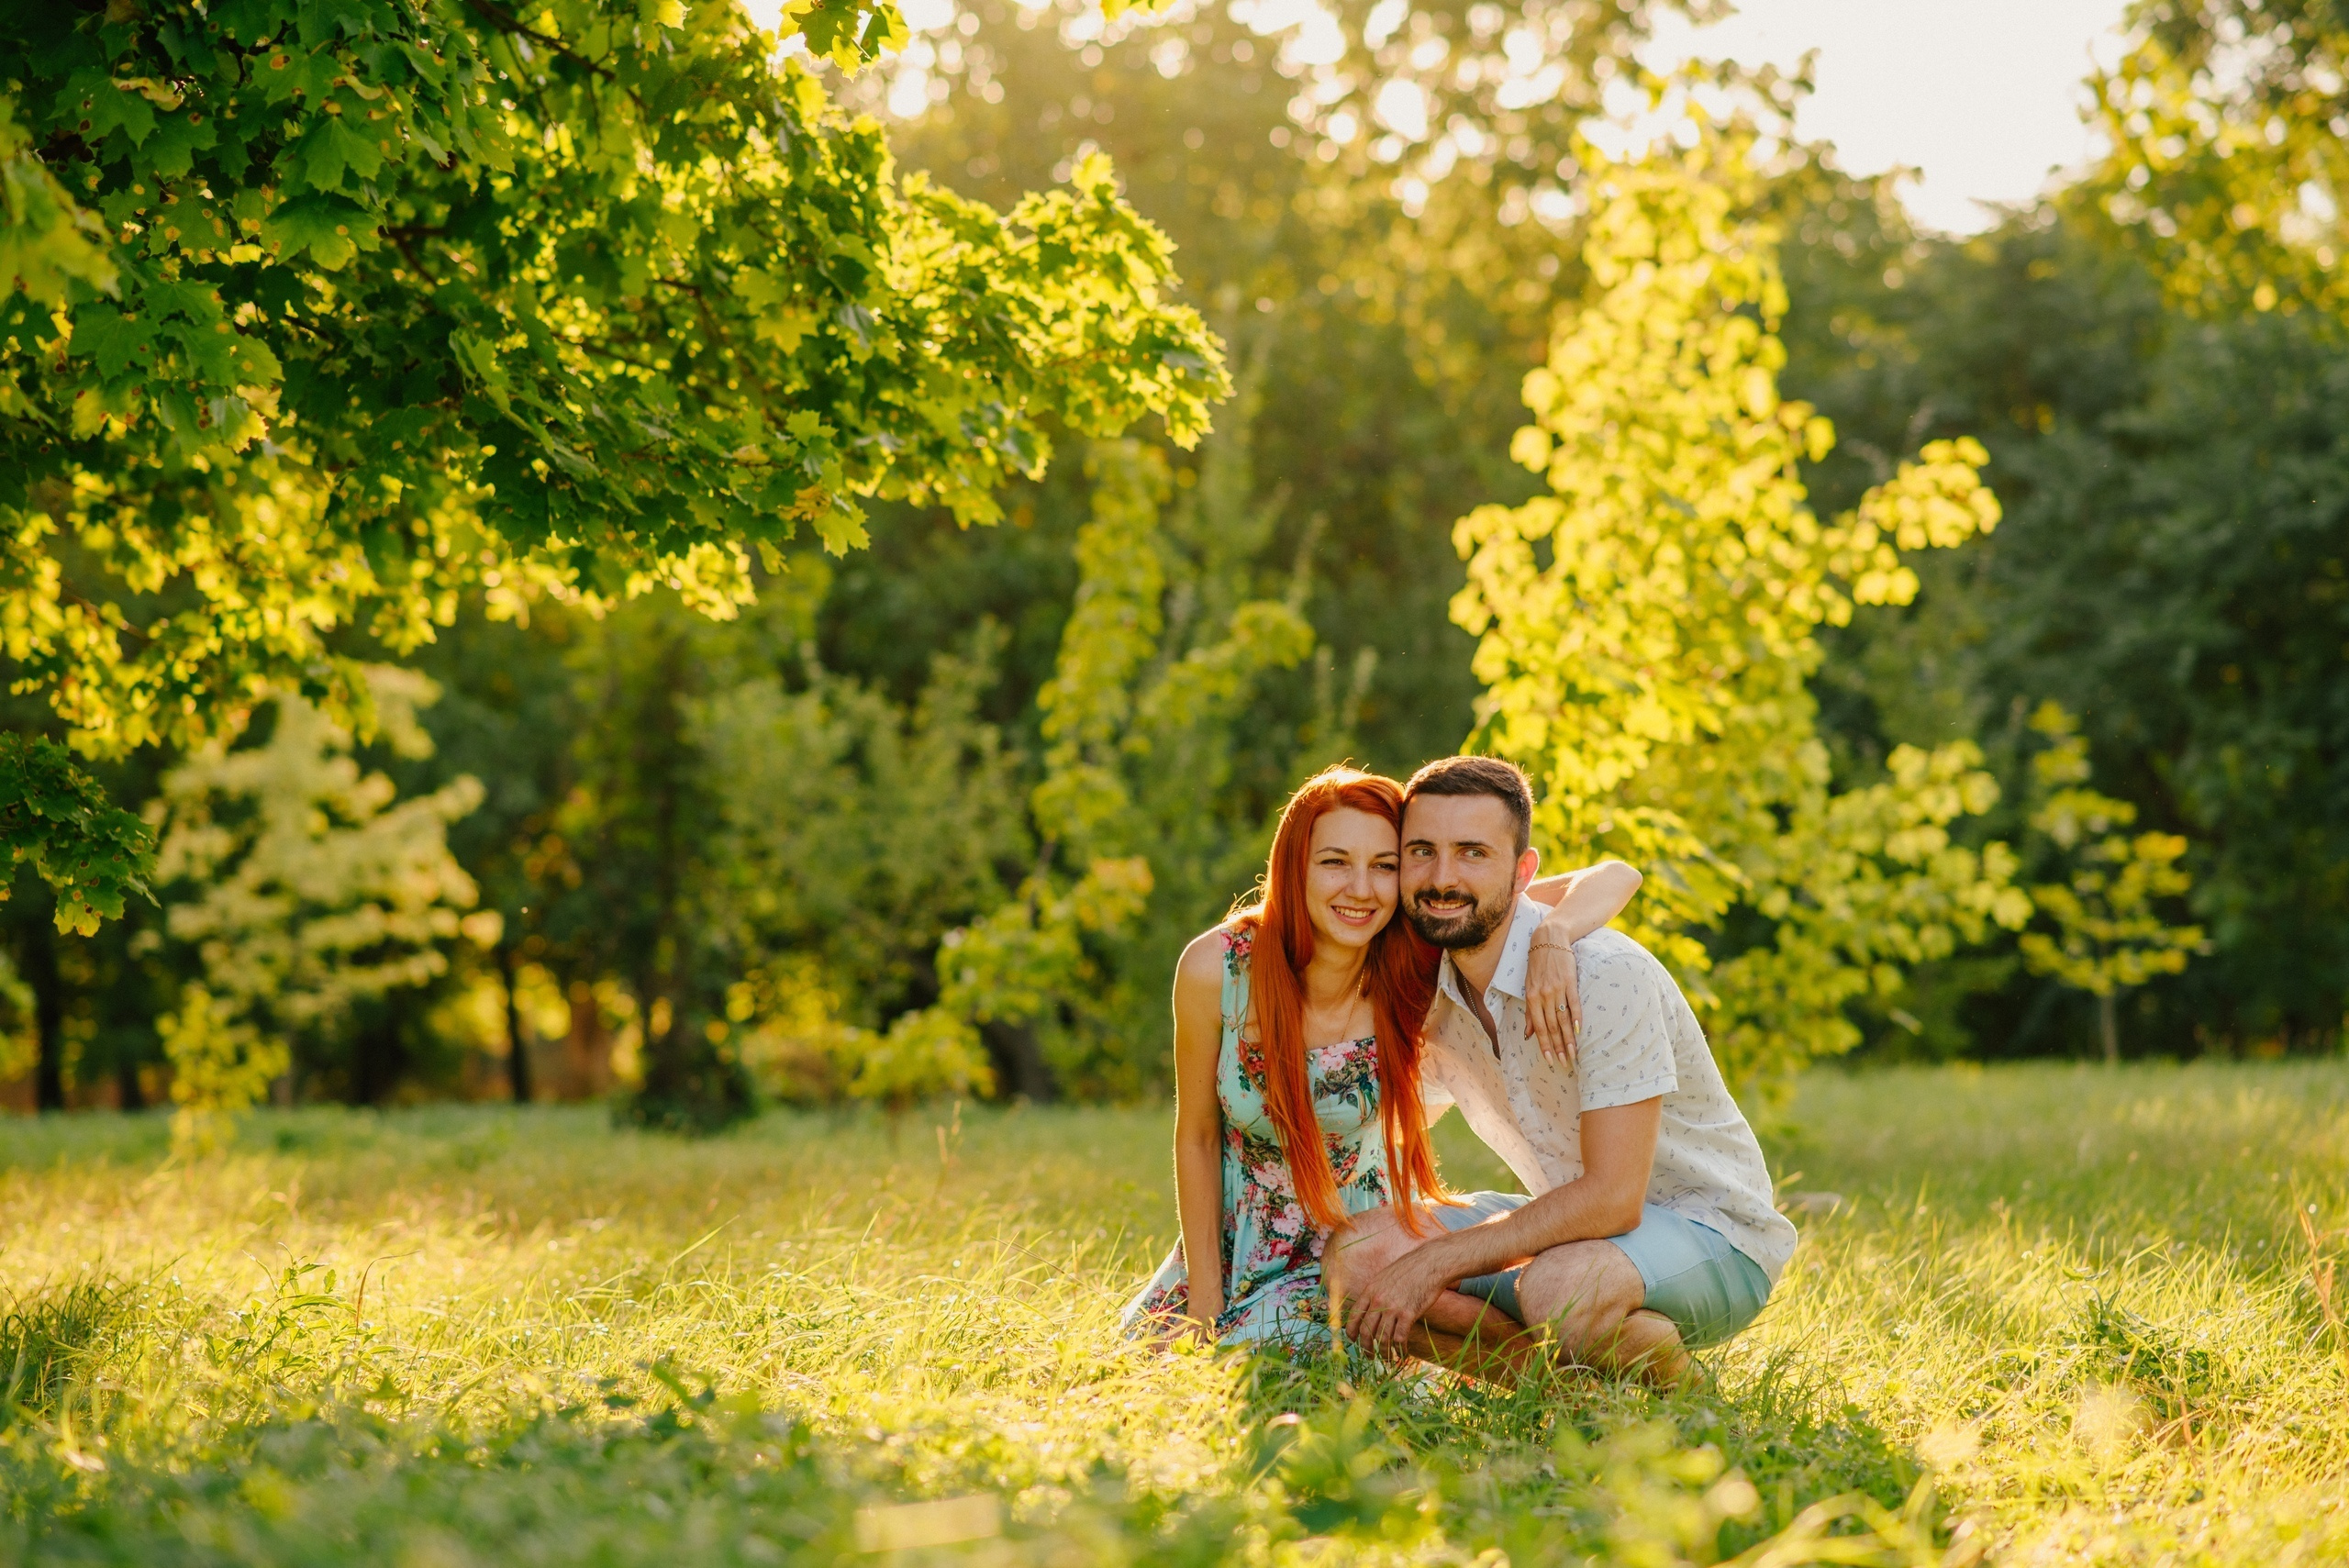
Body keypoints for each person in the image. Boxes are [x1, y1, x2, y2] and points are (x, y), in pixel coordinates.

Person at [1119, 765, 1642, 1352]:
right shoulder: (1216, 969)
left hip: (1355, 1250)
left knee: (1284, 1372)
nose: (1361, 889)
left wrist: (1555, 935)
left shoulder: (1413, 958)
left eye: (1385, 866)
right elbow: (1196, 1135)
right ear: (1296, 867)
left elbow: (1615, 875)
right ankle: (1556, 1363)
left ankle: (1555, 1364)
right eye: (1335, 862)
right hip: (1228, 1249)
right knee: (1144, 1370)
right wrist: (1205, 1300)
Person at [1325, 755, 1798, 1385]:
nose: (1443, 877)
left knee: (1559, 1289)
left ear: (1524, 871)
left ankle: (1689, 1393)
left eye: (1472, 853)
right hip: (1569, 1231)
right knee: (1357, 1256)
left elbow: (1611, 1199)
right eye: (1422, 851)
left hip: (1711, 1235)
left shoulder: (1602, 971)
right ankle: (1560, 1387)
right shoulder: (1427, 993)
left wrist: (1435, 1262)